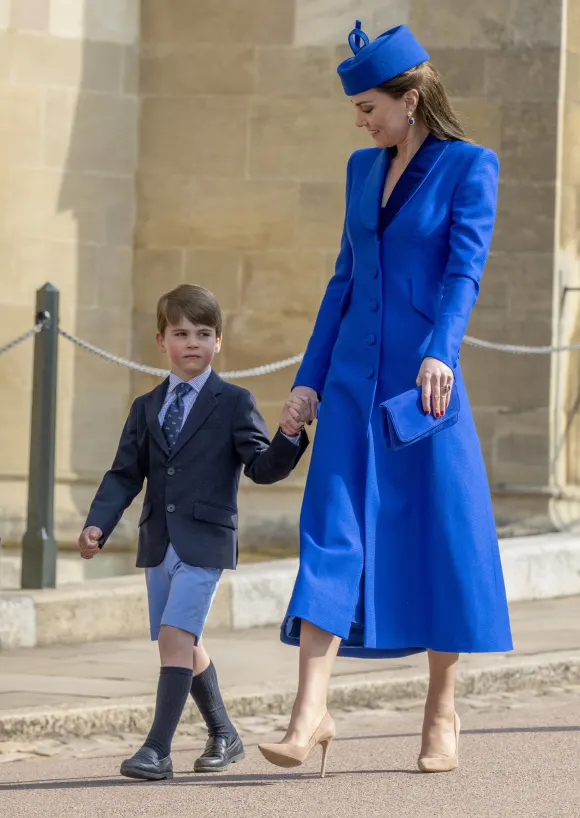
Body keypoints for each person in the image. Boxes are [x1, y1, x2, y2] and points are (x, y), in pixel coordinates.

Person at [259, 22, 513, 777]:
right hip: (349, 385)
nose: (362, 122)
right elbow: (343, 281)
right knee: (329, 536)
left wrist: (443, 348)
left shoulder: (471, 167)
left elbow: (464, 271)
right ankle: (311, 710)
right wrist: (307, 378)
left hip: (422, 392)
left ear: (410, 99)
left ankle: (441, 707)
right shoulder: (359, 172)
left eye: (370, 108)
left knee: (439, 540)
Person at [78, 284, 309, 781]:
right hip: (158, 540)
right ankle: (225, 734)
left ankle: (157, 750)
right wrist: (98, 523)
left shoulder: (234, 401)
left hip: (205, 541)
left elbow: (262, 468)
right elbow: (123, 474)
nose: (193, 343)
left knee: (175, 636)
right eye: (181, 333)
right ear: (161, 341)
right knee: (177, 642)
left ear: (219, 341)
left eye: (204, 334)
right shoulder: (146, 406)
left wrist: (288, 436)